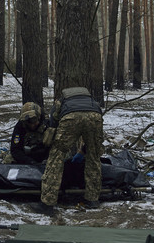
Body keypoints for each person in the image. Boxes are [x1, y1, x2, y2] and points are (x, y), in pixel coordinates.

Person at [29, 87, 104, 216]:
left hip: (70, 118)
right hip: (94, 117)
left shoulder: (62, 100)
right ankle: (93, 199)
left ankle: (47, 203)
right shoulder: (90, 100)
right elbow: (98, 112)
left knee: (56, 157)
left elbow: (54, 118)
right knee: (94, 157)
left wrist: (53, 135)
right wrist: (86, 149)